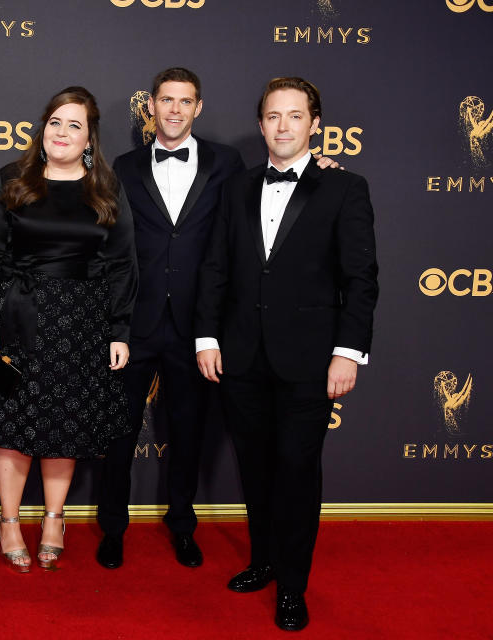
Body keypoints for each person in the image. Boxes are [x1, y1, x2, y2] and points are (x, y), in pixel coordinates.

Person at [194, 77, 378, 631]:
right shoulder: (237, 188)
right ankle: (264, 560)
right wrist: (207, 337)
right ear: (261, 124)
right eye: (273, 116)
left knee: (297, 471)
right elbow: (216, 268)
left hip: (310, 360)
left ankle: (293, 586)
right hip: (242, 356)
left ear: (315, 124)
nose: (282, 126)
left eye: (295, 116)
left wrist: (348, 353)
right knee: (256, 468)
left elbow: (361, 278)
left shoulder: (345, 189)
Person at [0, 86, 137, 572]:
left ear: (89, 137)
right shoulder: (12, 179)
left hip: (82, 326)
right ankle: (9, 520)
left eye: (75, 125)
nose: (62, 132)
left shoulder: (106, 188)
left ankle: (55, 518)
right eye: (56, 121)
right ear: (43, 127)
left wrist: (119, 329)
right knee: (11, 425)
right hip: (15, 319)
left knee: (65, 424)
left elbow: (122, 264)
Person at [96, 67, 244, 571]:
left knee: (188, 434)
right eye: (166, 100)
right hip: (134, 326)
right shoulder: (124, 164)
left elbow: (270, 197)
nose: (175, 110)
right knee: (117, 432)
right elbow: (114, 249)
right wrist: (115, 324)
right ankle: (111, 527)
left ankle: (182, 525)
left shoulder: (228, 163)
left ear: (198, 107)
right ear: (151, 107)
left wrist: (324, 166)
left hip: (197, 328)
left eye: (185, 101)